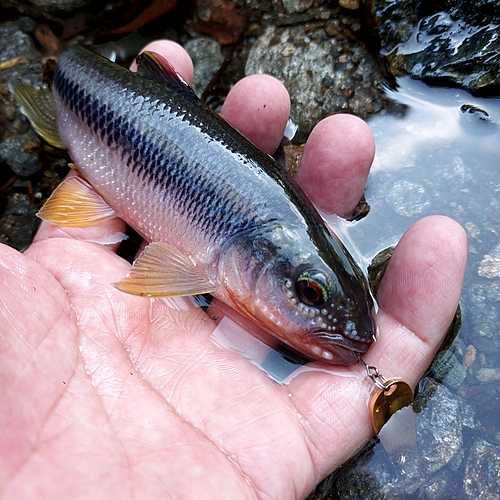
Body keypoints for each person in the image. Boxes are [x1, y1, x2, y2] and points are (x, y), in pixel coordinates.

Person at [0, 40, 467, 499]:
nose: (330, 325)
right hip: (84, 92)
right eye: (309, 293)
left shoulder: (242, 251)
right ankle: (61, 55)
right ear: (256, 253)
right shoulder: (219, 257)